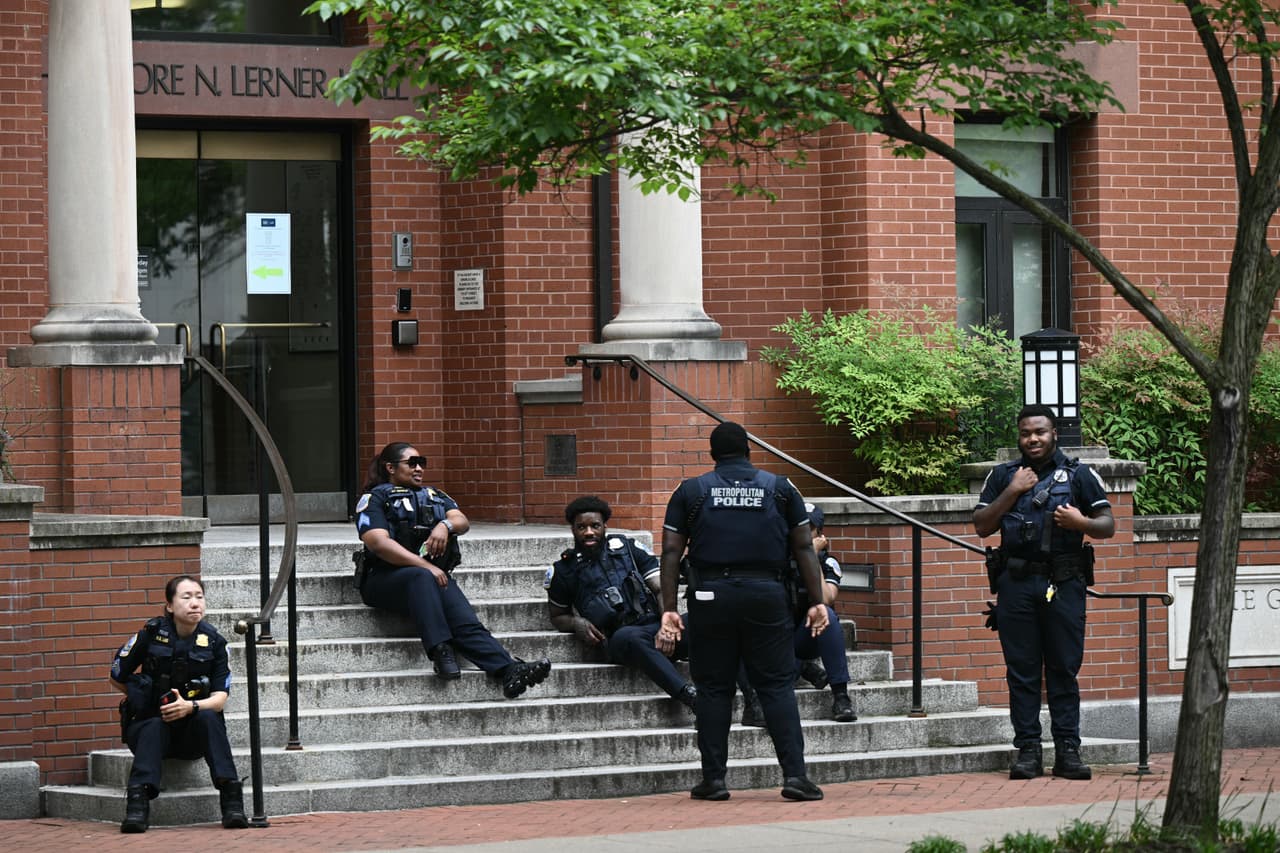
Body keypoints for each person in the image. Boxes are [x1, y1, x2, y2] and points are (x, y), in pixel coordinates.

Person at [659, 421, 829, 802]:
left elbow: (670, 552)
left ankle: (714, 780)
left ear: (712, 454)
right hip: (766, 595)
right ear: (749, 451)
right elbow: (804, 547)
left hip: (710, 597)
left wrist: (668, 609)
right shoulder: (781, 488)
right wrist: (817, 601)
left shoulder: (691, 491)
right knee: (777, 685)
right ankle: (795, 776)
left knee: (714, 688)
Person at [973, 404, 1115, 781]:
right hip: (1017, 584)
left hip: (1064, 583)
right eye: (1026, 433)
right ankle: (1028, 751)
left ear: (1054, 434)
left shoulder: (1080, 474)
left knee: (1063, 668)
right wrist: (1013, 491)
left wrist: (1080, 521)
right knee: (1021, 671)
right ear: (1019, 436)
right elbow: (982, 526)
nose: (1033, 439)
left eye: (1040, 432)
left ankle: (1068, 750)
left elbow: (1107, 524)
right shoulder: (1003, 476)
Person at [355, 441, 550, 699]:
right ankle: (440, 649)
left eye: (421, 463)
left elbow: (461, 520)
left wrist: (444, 526)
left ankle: (509, 670)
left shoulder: (434, 495)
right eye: (411, 463)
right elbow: (378, 543)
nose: (418, 468)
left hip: (428, 579)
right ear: (390, 468)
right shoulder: (375, 498)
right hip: (383, 579)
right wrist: (426, 565)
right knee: (422, 576)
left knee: (464, 620)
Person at [109, 574, 248, 833]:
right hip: (150, 731)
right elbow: (116, 676)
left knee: (209, 716)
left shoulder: (215, 642)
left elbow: (220, 699)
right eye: (186, 597)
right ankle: (137, 806)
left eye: (199, 597)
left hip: (191, 736)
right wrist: (143, 696)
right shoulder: (150, 635)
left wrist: (189, 707)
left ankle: (232, 803)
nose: (195, 603)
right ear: (170, 605)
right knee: (154, 725)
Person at [546, 496, 696, 709]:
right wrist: (576, 622)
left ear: (604, 527)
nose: (589, 532)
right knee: (632, 638)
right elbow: (557, 616)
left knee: (706, 619)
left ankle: (741, 687)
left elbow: (660, 588)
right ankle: (689, 696)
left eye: (595, 526)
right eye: (581, 527)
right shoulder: (563, 571)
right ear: (573, 529)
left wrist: (667, 626)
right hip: (621, 637)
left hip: (657, 628)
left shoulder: (628, 548)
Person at [739, 502, 856, 726]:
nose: (798, 532)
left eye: (807, 528)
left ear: (819, 534)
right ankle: (804, 667)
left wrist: (811, 558)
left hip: (803, 639)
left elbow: (827, 598)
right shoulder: (775, 559)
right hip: (773, 642)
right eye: (795, 526)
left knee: (827, 615)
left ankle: (841, 696)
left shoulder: (826, 561)